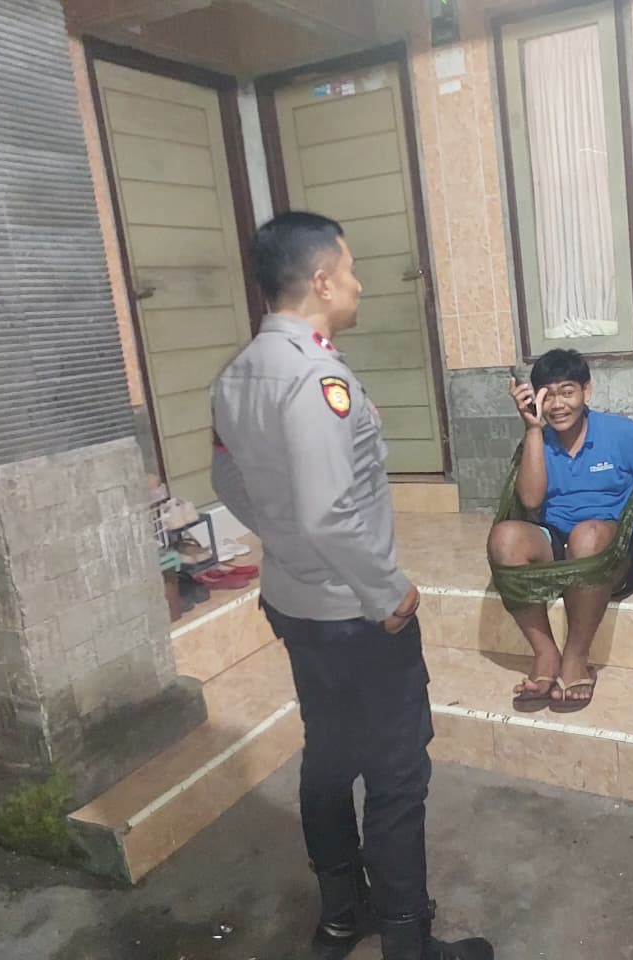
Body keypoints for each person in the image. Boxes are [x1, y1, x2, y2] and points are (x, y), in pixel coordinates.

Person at [210, 211, 492, 960]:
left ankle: (342, 915)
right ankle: (407, 941)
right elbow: (330, 513)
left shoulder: (238, 373)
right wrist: (387, 590)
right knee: (397, 775)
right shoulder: (317, 377)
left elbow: (229, 480)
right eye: (352, 268)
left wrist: (283, 541)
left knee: (329, 755)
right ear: (322, 280)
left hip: (294, 601)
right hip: (355, 614)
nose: (360, 284)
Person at [486, 348, 633, 710]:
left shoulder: (620, 432)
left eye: (567, 392)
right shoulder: (538, 439)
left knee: (586, 535)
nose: (557, 405)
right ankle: (546, 654)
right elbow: (531, 501)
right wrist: (532, 429)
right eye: (548, 395)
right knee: (504, 538)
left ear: (587, 391)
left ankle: (576, 658)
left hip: (613, 549)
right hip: (558, 545)